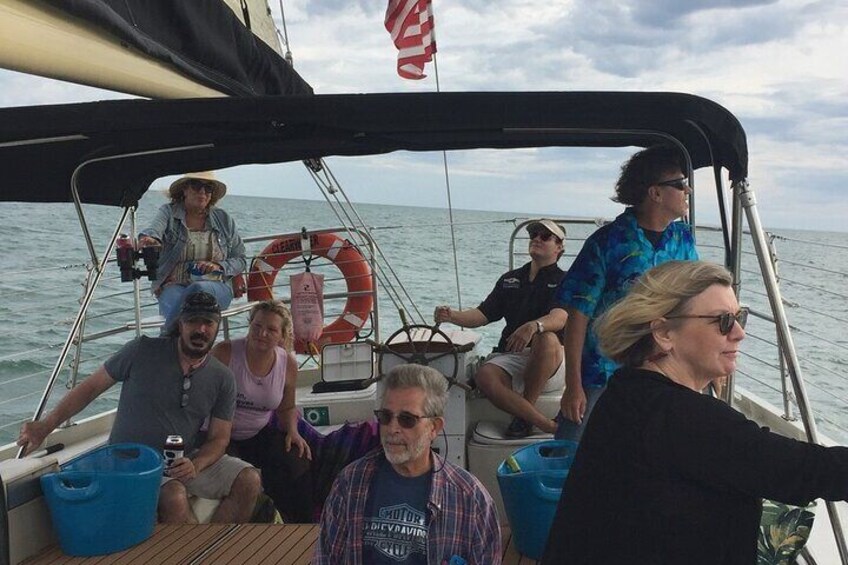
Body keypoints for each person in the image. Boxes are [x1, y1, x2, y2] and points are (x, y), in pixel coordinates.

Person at [541, 261, 848, 565]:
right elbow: (810, 469)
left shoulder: (626, 392)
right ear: (663, 332)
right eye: (723, 321)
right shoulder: (679, 415)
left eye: (740, 317)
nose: (739, 332)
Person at [18, 291, 262, 524]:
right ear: (180, 324)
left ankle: (215, 548)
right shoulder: (142, 350)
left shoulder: (223, 377)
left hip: (184, 460)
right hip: (131, 461)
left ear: (217, 327)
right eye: (193, 321)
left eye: (208, 323)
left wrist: (195, 466)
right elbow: (91, 388)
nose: (201, 329)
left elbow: (219, 438)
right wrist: (46, 426)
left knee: (250, 480)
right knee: (174, 496)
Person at [554, 145, 698, 442]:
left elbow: (694, 298)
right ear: (655, 193)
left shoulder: (682, 239)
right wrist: (573, 385)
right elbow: (578, 314)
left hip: (664, 369)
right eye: (680, 184)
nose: (689, 190)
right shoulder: (607, 243)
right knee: (575, 449)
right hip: (602, 371)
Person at [313, 364, 502, 565]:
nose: (392, 428)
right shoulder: (349, 484)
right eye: (385, 417)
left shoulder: (471, 498)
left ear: (434, 427)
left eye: (407, 419)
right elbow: (326, 558)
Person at [434, 219, 568, 438]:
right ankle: (544, 424)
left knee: (547, 338)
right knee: (485, 375)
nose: (536, 238)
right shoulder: (510, 279)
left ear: (559, 247)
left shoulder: (566, 281)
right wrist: (452, 316)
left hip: (551, 361)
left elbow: (560, 317)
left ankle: (523, 416)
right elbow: (482, 315)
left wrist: (534, 326)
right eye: (534, 234)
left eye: (545, 236)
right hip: (514, 355)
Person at [211, 300, 314, 522]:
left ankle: (300, 528)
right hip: (220, 435)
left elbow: (286, 407)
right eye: (257, 326)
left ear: (282, 335)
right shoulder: (225, 352)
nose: (262, 333)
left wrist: (293, 432)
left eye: (271, 329)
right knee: (241, 476)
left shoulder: (288, 364)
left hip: (256, 434)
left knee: (297, 460)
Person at [138, 171, 246, 332]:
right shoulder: (169, 213)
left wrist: (218, 266)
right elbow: (154, 229)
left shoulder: (223, 219)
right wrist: (150, 239)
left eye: (208, 187)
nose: (202, 191)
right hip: (174, 285)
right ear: (185, 189)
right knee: (180, 307)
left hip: (216, 286)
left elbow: (241, 259)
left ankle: (164, 342)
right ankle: (182, 350)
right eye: (196, 186)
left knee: (198, 291)